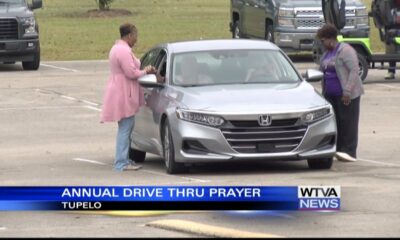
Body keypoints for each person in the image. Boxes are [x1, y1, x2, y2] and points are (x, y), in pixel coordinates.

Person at [101, 23, 156, 172]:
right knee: (125, 128)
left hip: (120, 89)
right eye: (135, 36)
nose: (136, 39)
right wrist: (145, 71)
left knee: (127, 127)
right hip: (123, 92)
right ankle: (121, 162)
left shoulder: (118, 48)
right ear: (129, 35)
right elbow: (131, 73)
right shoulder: (123, 51)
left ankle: (124, 159)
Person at [317, 23, 365, 162]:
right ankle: (337, 150)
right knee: (335, 122)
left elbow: (354, 71)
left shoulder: (345, 50)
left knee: (348, 123)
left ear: (330, 39)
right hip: (330, 94)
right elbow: (323, 71)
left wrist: (347, 91)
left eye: (323, 40)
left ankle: (349, 152)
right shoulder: (327, 54)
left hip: (347, 94)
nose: (322, 43)